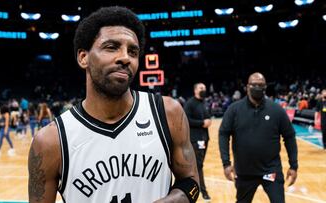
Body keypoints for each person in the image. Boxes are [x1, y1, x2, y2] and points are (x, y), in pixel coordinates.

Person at [28, 6, 200, 203]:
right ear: (83, 57)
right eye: (111, 47)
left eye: (133, 51)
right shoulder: (50, 141)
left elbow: (191, 182)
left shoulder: (168, 113)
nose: (125, 58)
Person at [219, 72, 298, 203]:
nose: (257, 87)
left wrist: (293, 165)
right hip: (244, 172)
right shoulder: (234, 109)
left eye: (260, 85)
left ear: (265, 87)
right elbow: (223, 134)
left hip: (271, 170)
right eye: (254, 84)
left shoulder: (276, 110)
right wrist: (226, 163)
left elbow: (289, 137)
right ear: (247, 86)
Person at [184, 83, 212, 201]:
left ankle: (194, 187)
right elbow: (186, 119)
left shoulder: (204, 102)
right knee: (198, 165)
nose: (203, 90)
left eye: (204, 88)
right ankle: (202, 191)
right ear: (195, 90)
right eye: (201, 88)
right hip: (196, 139)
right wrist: (202, 123)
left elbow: (207, 117)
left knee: (199, 165)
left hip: (205, 138)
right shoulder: (190, 103)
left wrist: (208, 121)